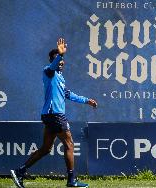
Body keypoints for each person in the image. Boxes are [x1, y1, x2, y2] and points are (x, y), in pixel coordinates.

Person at [10, 38, 97, 188]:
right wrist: (60, 55)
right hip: (55, 114)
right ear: (53, 60)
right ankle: (71, 180)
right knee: (69, 144)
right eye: (59, 61)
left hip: (51, 116)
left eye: (63, 62)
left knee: (46, 149)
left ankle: (19, 171)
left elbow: (68, 94)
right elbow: (53, 66)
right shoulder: (48, 71)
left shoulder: (60, 77)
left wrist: (86, 100)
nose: (62, 64)